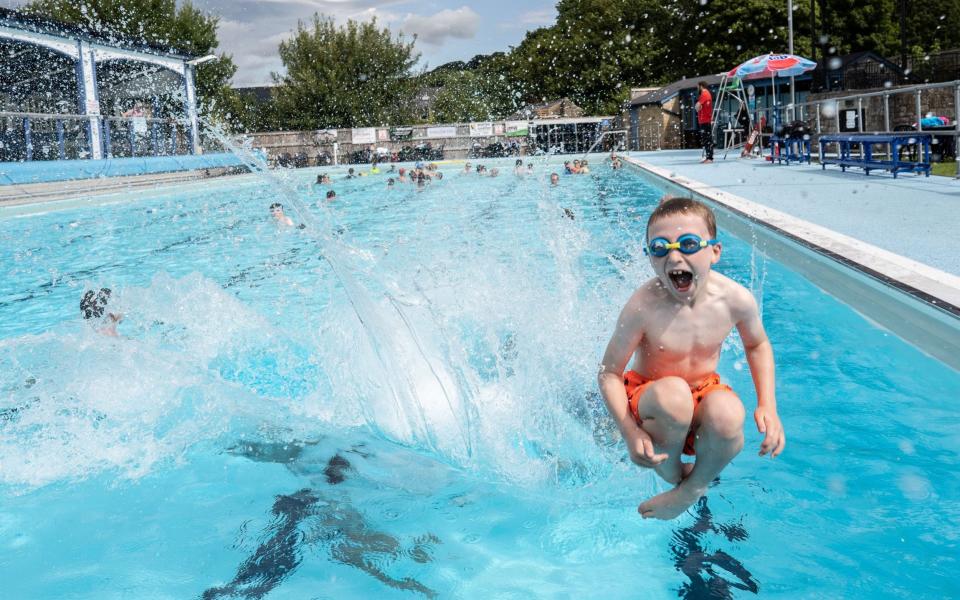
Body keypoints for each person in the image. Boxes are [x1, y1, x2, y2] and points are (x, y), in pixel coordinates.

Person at [597, 196, 784, 520]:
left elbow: (757, 345)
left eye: (687, 243)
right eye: (660, 248)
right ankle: (670, 472)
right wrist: (631, 432)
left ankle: (690, 489)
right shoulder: (643, 306)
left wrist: (767, 404)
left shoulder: (735, 300)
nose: (674, 256)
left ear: (715, 252)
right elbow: (609, 373)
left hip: (701, 391)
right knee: (674, 395)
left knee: (729, 414)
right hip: (652, 398)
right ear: (651, 259)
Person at [695, 81, 714, 164]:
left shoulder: (704, 94)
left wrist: (698, 108)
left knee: (707, 139)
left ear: (701, 86)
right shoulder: (706, 94)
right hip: (705, 120)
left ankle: (709, 158)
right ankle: (709, 157)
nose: (697, 89)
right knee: (706, 139)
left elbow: (697, 106)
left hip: (705, 120)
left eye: (697, 87)